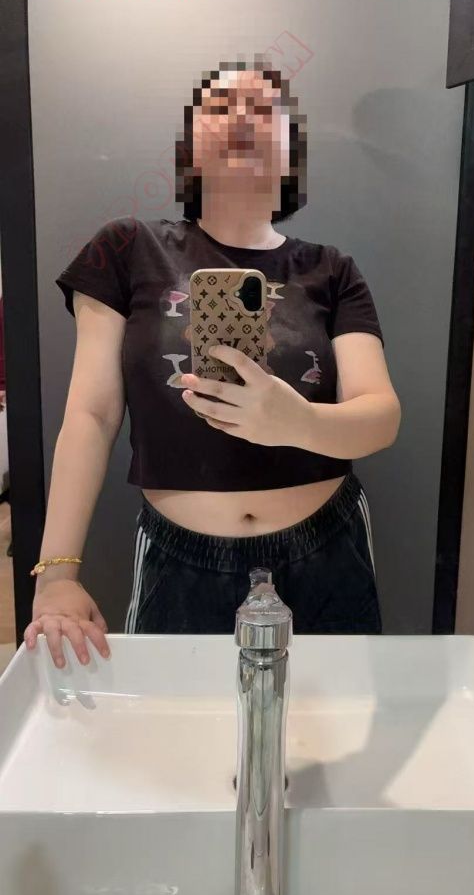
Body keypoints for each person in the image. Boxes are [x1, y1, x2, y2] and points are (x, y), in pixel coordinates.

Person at [24, 58, 401, 669]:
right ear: (189, 151)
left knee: (332, 719)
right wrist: (56, 576)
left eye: (265, 110)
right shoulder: (125, 249)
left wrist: (296, 422)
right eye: (221, 108)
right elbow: (91, 415)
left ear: (290, 156)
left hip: (328, 550)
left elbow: (380, 417)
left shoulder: (332, 270)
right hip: (179, 563)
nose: (243, 119)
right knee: (173, 726)